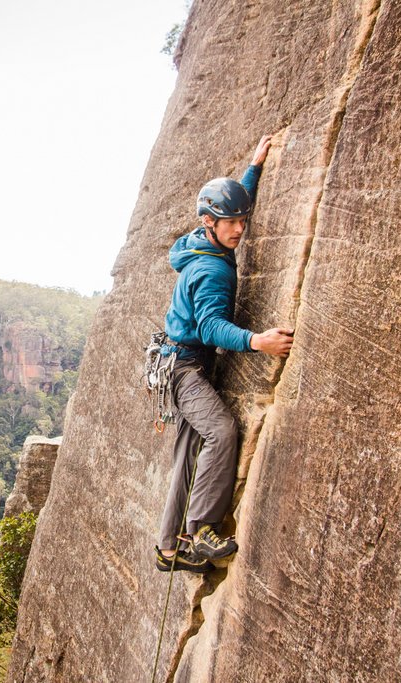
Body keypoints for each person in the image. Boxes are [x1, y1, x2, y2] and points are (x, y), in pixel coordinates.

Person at [155, 134, 294, 573]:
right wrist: (259, 341)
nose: (238, 229)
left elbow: (234, 205)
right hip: (185, 370)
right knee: (220, 432)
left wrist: (252, 169)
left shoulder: (202, 239)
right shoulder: (211, 268)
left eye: (241, 222)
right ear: (207, 221)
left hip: (175, 362)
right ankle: (200, 531)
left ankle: (167, 550)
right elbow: (213, 326)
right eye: (229, 223)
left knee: (187, 453)